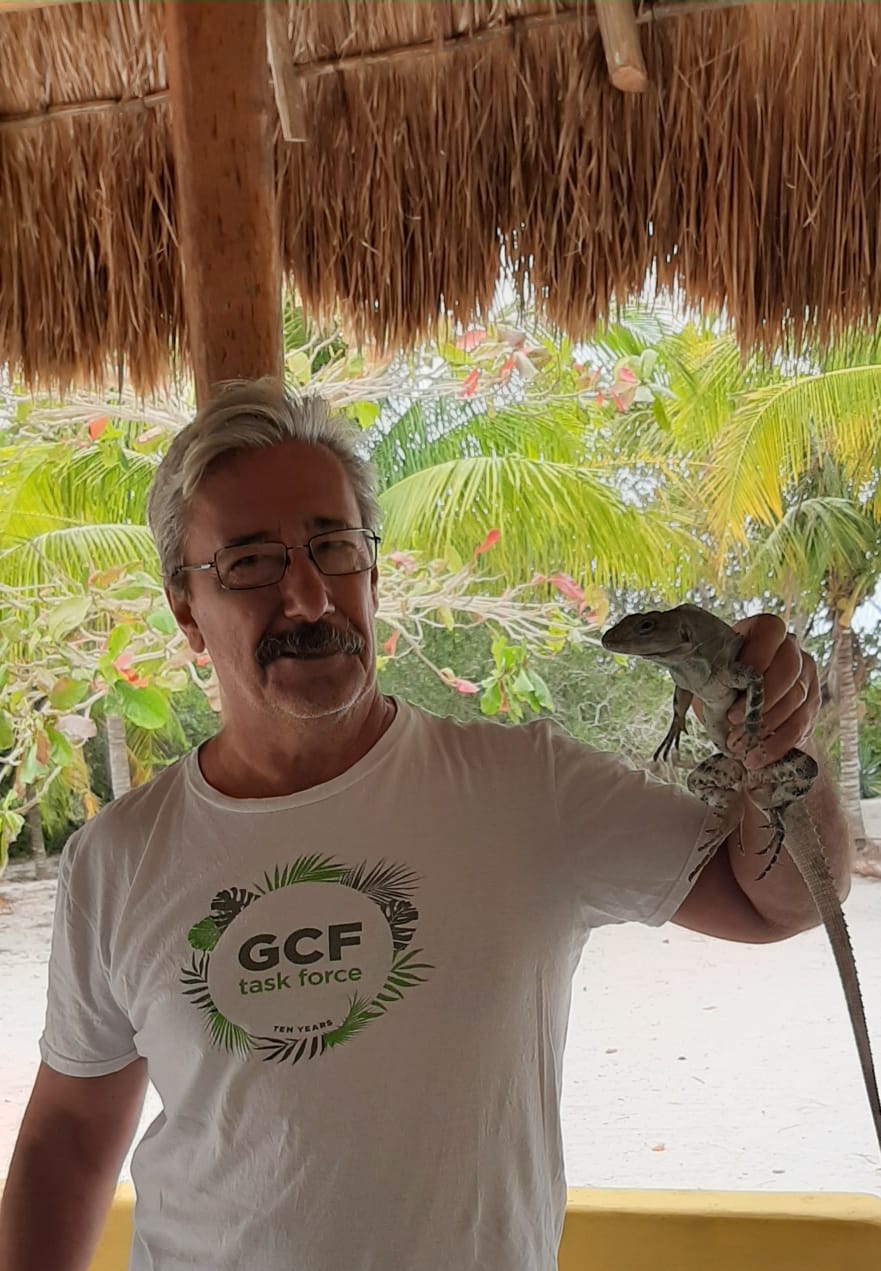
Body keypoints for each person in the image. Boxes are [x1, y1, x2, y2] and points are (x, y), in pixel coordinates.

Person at [0, 381, 849, 1271]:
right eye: (250, 561)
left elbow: (781, 904)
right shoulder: (119, 856)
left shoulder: (529, 789)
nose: (308, 597)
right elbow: (68, 1134)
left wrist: (782, 745)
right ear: (185, 608)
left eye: (333, 548)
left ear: (371, 571)